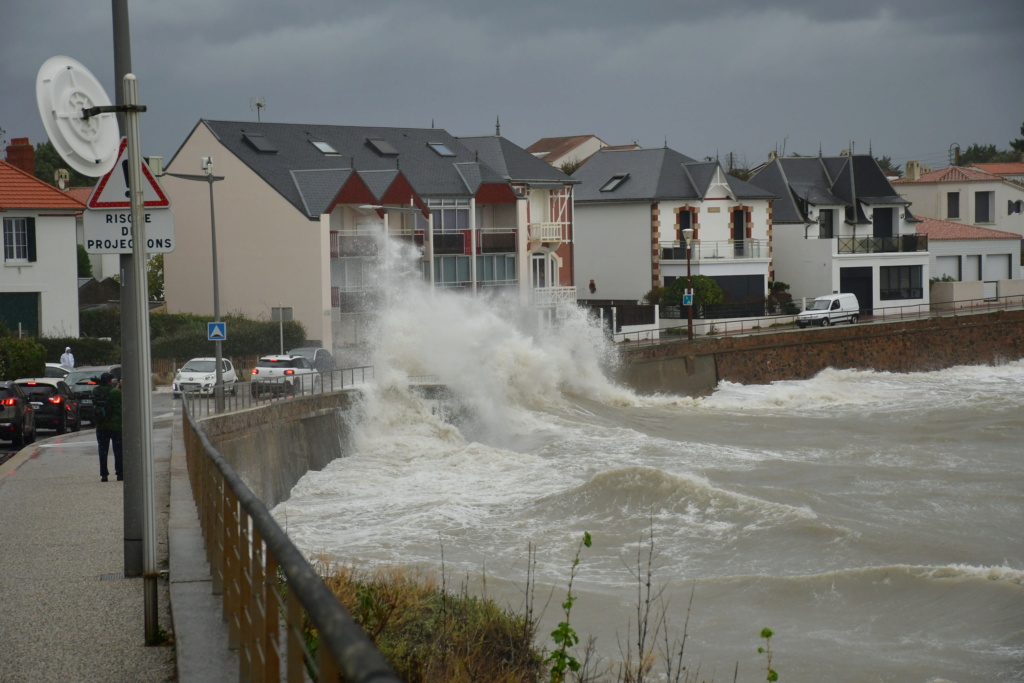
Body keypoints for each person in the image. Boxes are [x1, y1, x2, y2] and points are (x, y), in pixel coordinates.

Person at [93, 372, 123, 482]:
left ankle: (104, 475)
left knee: (102, 450)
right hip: (115, 425)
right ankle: (120, 473)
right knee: (118, 450)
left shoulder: (96, 391)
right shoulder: (115, 392)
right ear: (110, 381)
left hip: (101, 425)